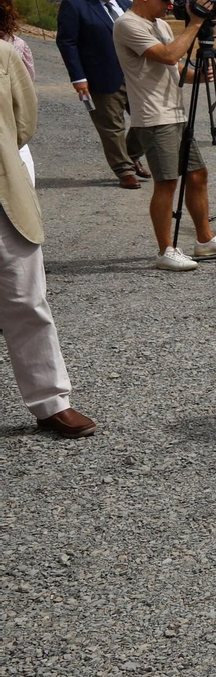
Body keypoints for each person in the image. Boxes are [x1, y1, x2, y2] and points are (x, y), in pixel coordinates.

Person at [112, 0, 216, 271]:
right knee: (167, 182)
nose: (168, 0)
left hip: (175, 111)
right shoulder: (128, 24)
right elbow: (168, 55)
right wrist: (195, 22)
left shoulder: (158, 24)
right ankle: (165, 251)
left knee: (197, 175)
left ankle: (205, 239)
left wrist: (198, 76)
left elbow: (175, 66)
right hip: (154, 115)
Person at [0, 39, 97, 439]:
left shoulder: (4, 55)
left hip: (3, 195)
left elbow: (23, 124)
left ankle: (51, 403)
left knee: (26, 300)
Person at [55, 0, 148, 188]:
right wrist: (78, 78)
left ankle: (131, 155)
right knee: (112, 126)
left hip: (137, 76)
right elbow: (67, 42)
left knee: (148, 119)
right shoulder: (75, 5)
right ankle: (124, 170)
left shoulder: (127, 4)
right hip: (101, 77)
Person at [0, 0, 39, 184]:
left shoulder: (15, 46)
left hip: (9, 140)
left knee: (21, 202)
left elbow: (25, 99)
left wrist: (14, 142)